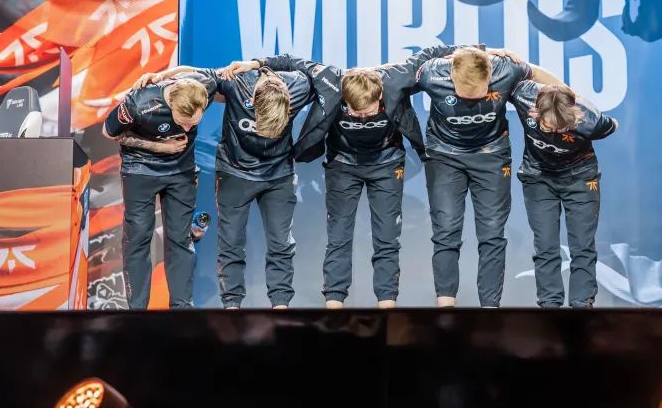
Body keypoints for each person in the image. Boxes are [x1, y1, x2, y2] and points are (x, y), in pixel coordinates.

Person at [221, 46, 519, 309]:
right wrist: (256, 63)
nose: (363, 117)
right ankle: (334, 304)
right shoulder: (331, 80)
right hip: (343, 164)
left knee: (387, 238)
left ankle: (386, 305)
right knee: (339, 236)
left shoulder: (394, 80)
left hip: (386, 163)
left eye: (369, 111)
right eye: (355, 113)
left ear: (380, 96)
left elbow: (432, 54)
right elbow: (292, 61)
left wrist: (484, 51)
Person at [136, 63, 314, 309]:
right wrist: (163, 74)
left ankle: (281, 306)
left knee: (281, 243)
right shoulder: (236, 83)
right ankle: (231, 307)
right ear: (253, 101)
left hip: (278, 174)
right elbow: (197, 73)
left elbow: (324, 77)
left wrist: (259, 62)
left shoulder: (299, 85)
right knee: (231, 244)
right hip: (235, 172)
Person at [405, 46, 559, 308]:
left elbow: (537, 73)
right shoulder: (431, 72)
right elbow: (394, 77)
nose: (470, 100)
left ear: (490, 76)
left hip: (491, 155)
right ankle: (445, 309)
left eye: (477, 93)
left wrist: (570, 96)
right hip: (444, 156)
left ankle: (489, 309)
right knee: (446, 231)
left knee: (492, 233)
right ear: (452, 76)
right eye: (463, 93)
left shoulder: (506, 69)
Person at [103, 75, 215, 309]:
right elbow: (109, 132)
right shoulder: (138, 103)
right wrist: (159, 146)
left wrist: (163, 75)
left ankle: (181, 311)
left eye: (193, 124)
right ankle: (137, 312)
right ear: (171, 102)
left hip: (181, 171)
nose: (186, 129)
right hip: (140, 169)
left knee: (180, 239)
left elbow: (208, 73)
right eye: (182, 122)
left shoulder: (203, 89)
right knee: (138, 238)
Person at [509, 81, 617, 308]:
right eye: (549, 127)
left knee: (582, 246)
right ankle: (550, 306)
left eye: (562, 127)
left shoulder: (590, 121)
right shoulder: (524, 96)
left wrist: (584, 104)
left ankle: (582, 305)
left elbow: (613, 125)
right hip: (538, 177)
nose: (556, 133)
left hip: (580, 178)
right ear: (536, 111)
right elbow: (517, 70)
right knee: (545, 246)